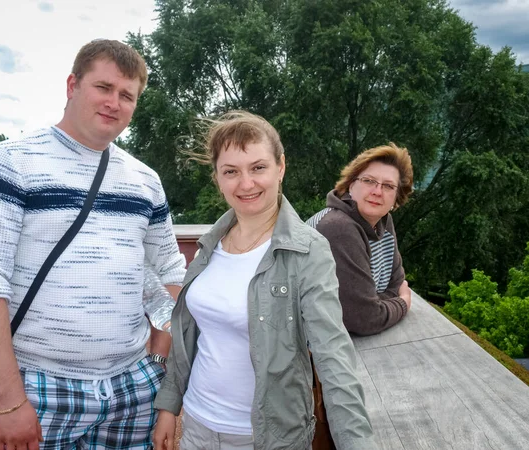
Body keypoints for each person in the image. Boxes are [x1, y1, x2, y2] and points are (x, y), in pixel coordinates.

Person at [0, 39, 186, 450]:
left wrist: (158, 362)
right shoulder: (9, 164)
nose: (115, 102)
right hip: (39, 387)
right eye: (104, 87)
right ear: (72, 85)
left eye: (127, 95)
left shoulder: (146, 181)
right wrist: (7, 401)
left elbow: (169, 271)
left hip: (133, 388)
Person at [152, 111, 377, 450]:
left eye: (258, 167)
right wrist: (170, 405)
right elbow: (190, 334)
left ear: (280, 166)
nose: (246, 183)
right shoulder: (209, 246)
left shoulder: (307, 251)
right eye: (231, 171)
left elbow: (334, 358)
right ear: (217, 178)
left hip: (268, 438)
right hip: (198, 426)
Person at [306, 143, 413, 336]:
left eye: (388, 186)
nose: (377, 192)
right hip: (304, 350)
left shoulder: (382, 221)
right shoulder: (338, 228)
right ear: (350, 185)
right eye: (369, 181)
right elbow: (364, 319)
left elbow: (396, 283)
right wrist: (403, 303)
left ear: (397, 198)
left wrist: (371, 303)